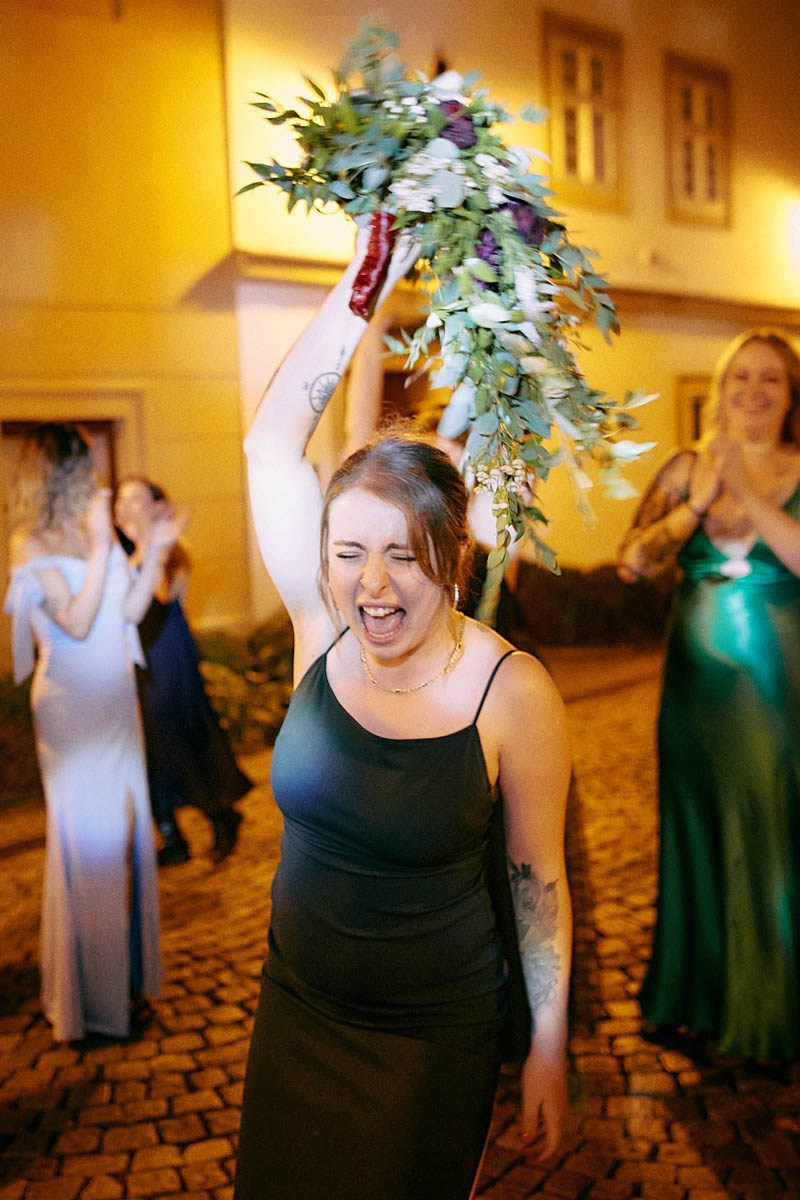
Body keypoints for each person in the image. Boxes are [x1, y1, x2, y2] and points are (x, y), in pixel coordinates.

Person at [233, 225, 573, 1200]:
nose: (371, 585)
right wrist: (366, 268)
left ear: (452, 557)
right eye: (347, 552)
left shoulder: (511, 693)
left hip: (427, 1044)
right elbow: (269, 444)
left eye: (401, 554)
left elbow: (536, 884)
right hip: (293, 1008)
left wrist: (544, 1043)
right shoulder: (321, 631)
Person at [617, 329, 800, 1061]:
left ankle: (769, 1007)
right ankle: (691, 995)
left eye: (772, 381)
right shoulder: (683, 467)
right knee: (694, 827)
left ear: (791, 398)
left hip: (777, 686)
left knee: (772, 829)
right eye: (741, 379)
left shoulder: (794, 467)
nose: (753, 392)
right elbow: (633, 563)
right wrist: (693, 504)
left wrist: (745, 490)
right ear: (722, 389)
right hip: (693, 691)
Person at [3, 424, 181, 1043]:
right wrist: (106, 548)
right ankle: (93, 1007)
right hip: (72, 715)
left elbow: (128, 613)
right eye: (87, 466)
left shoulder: (89, 533)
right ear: (63, 475)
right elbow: (75, 623)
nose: (98, 478)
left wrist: (154, 549)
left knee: (125, 841)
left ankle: (121, 985)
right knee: (90, 849)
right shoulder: (30, 542)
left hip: (116, 705)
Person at [114, 478, 251, 865]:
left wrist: (150, 546)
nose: (123, 508)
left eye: (133, 499)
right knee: (148, 750)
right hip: (137, 661)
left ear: (157, 506)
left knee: (176, 741)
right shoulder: (124, 555)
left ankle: (221, 813)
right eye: (119, 501)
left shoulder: (172, 550)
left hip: (167, 658)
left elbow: (160, 596)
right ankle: (171, 837)